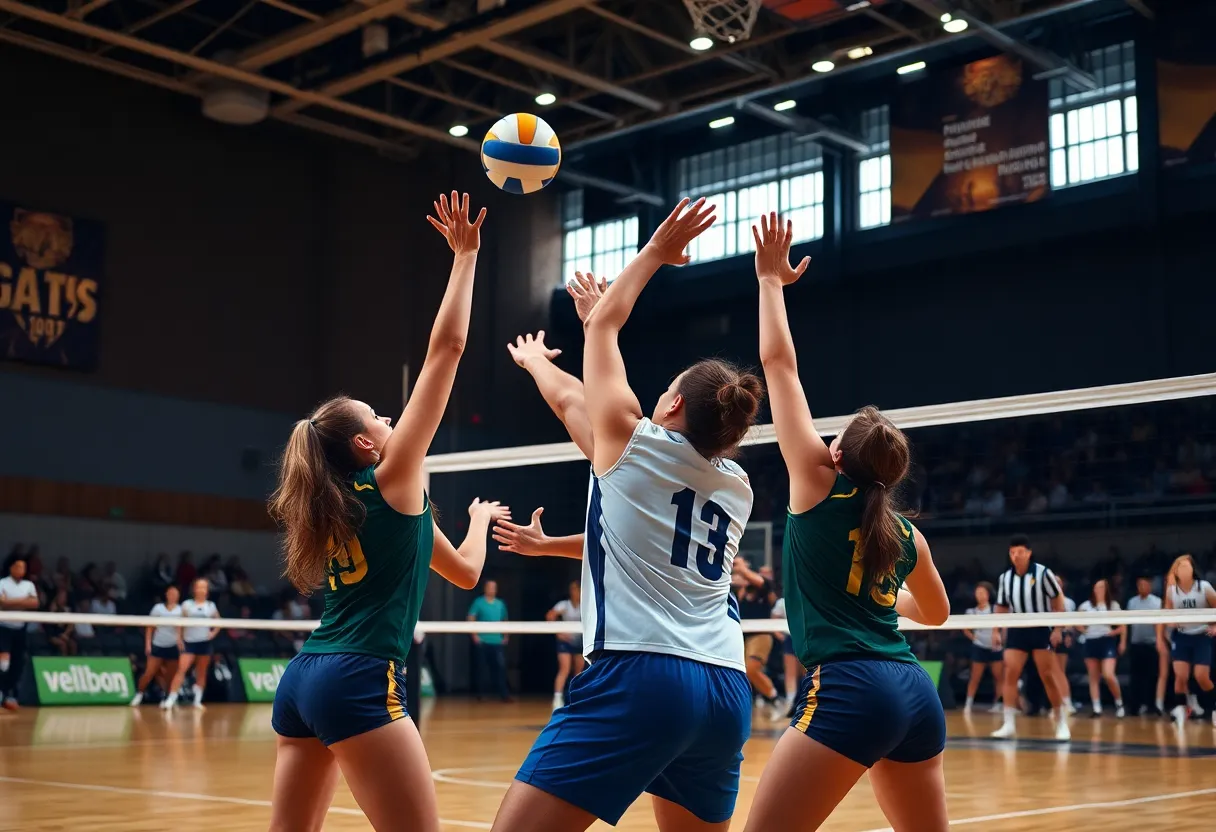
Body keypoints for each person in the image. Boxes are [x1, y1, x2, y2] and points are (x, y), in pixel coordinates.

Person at [490, 197, 764, 832]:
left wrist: (652, 257)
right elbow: (640, 543)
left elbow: (578, 391)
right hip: (725, 686)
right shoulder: (737, 485)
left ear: (671, 404)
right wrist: (553, 545)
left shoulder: (633, 444)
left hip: (642, 675)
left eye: (666, 389)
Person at [265, 191, 511, 832]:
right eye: (378, 415)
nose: (390, 417)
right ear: (367, 446)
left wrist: (478, 521)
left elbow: (463, 574)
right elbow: (446, 349)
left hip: (304, 678)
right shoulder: (394, 477)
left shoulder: (351, 506)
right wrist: (465, 257)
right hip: (359, 678)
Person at [740, 214, 951, 832]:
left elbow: (778, 364)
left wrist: (769, 281)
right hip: (915, 690)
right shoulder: (908, 535)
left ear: (836, 454)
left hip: (851, 688)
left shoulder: (816, 484)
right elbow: (936, 614)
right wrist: (885, 601)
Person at [992, 534, 1071, 741]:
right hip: (1017, 629)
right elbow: (1001, 606)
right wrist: (995, 630)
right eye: (1012, 552)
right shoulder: (1005, 578)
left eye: (1020, 552)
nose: (1016, 556)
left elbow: (1057, 600)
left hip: (1040, 628)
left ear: (1028, 553)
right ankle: (1009, 723)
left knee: (1047, 675)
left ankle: (1061, 721)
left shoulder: (1043, 573)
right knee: (1010, 673)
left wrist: (1058, 629)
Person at [1163, 554, 1216, 725]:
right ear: (1176, 571)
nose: (1184, 570)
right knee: (1180, 675)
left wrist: (1214, 627)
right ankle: (1180, 709)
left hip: (1201, 635)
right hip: (1182, 635)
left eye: (1187, 566)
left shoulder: (1204, 587)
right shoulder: (1171, 590)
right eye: (1180, 567)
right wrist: (1172, 623)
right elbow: (1167, 613)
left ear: (1193, 570)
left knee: (1201, 676)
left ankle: (1214, 706)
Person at [164, 578, 219, 709]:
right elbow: (180, 623)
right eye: (199, 587)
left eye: (204, 587)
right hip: (189, 643)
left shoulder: (210, 606)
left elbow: (218, 622)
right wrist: (179, 638)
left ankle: (197, 700)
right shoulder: (187, 605)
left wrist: (213, 633)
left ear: (207, 590)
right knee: (181, 670)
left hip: (204, 643)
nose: (201, 590)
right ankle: (171, 699)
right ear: (194, 589)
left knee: (201, 672)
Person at [1077, 579, 1126, 717]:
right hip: (1091, 641)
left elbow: (1123, 626)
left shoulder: (1113, 605)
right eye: (1097, 587)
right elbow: (1076, 622)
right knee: (1093, 677)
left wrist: (1119, 639)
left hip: (1107, 641)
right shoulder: (1086, 605)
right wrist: (1084, 630)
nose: (1099, 590)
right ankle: (1096, 708)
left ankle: (1119, 703)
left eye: (1102, 587)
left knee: (1108, 674)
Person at [130, 585, 184, 707]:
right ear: (166, 595)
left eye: (175, 594)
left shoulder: (181, 610)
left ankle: (167, 697)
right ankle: (139, 694)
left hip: (173, 646)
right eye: (171, 593)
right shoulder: (158, 608)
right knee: (149, 672)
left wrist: (180, 640)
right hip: (158, 644)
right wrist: (148, 644)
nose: (173, 596)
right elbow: (150, 627)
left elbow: (183, 628)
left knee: (170, 675)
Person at [0, 557, 39, 710]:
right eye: (17, 567)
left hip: (20, 629)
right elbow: (1, 603)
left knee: (18, 662)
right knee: (4, 663)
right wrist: (23, 601)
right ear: (11, 568)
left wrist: (10, 602)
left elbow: (34, 603)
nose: (20, 570)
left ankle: (10, 694)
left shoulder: (29, 585)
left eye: (23, 567)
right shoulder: (2, 583)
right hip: (4, 628)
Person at [1125, 573, 1165, 715]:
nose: (1143, 587)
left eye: (1146, 584)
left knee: (1152, 676)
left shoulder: (1157, 602)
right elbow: (1127, 623)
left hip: (1151, 643)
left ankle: (1151, 705)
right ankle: (1135, 706)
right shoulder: (1132, 602)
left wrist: (1159, 640)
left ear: (1150, 585)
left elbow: (1159, 623)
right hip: (1136, 643)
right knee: (1136, 676)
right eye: (1140, 584)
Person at [962, 582, 1003, 713]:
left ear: (988, 594)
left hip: (995, 647)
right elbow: (965, 628)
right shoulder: (971, 612)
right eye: (977, 593)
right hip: (979, 646)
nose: (980, 595)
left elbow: (1003, 625)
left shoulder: (995, 609)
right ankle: (968, 704)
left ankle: (998, 703)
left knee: (998, 677)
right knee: (975, 677)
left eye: (982, 592)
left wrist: (1000, 638)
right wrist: (974, 638)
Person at [468, 580, 511, 702]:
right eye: (489, 587)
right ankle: (480, 695)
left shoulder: (500, 604)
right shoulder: (478, 602)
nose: (492, 589)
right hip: (482, 641)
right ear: (485, 588)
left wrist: (506, 635)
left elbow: (505, 620)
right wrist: (475, 635)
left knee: (500, 668)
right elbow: (471, 617)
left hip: (497, 641)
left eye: (494, 587)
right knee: (481, 668)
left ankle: (504, 695)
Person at [546, 581, 583, 711]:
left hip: (579, 641)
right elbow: (550, 616)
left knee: (578, 672)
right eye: (572, 589)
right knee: (564, 669)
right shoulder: (564, 604)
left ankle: (575, 698)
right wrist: (559, 633)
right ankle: (557, 699)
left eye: (576, 589)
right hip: (565, 641)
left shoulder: (585, 605)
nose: (574, 592)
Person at [770, 593, 804, 718]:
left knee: (805, 672)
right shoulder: (782, 602)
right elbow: (773, 620)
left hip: (805, 638)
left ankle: (802, 700)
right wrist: (781, 636)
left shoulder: (806, 597)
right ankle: (791, 702)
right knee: (791, 672)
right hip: (790, 638)